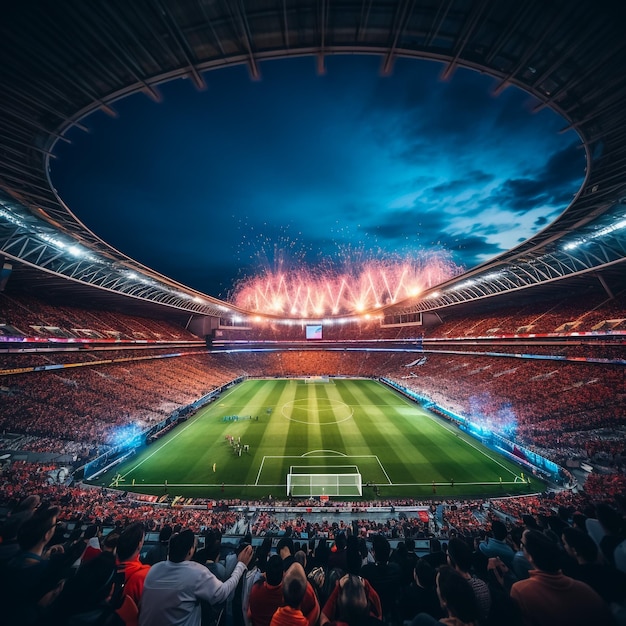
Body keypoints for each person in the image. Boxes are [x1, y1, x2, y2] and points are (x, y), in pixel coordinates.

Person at [139, 529, 253, 626]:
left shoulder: (153, 570)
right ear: (189, 551)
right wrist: (241, 565)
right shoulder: (196, 572)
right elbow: (222, 593)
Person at [509, 529, 615, 626]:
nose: (521, 548)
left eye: (522, 545)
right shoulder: (585, 588)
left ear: (531, 556)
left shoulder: (520, 591)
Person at [410, 565, 479, 626]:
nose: (436, 589)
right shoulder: (476, 620)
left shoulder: (424, 620)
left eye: (437, 586)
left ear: (444, 600)